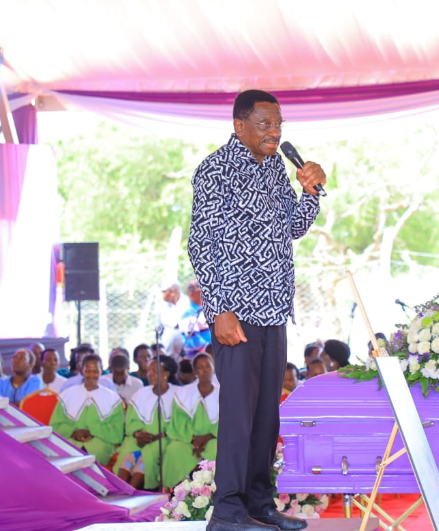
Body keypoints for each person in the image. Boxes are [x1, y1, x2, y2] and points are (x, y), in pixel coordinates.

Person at [188, 89, 325, 531]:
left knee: (268, 414)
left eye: (279, 124)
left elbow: (293, 228)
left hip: (273, 310)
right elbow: (201, 242)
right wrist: (219, 309)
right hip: (237, 314)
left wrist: (310, 194)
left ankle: (261, 506)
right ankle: (227, 512)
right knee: (239, 417)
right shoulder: (215, 170)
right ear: (239, 126)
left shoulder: (272, 171)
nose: (275, 132)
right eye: (265, 124)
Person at [114, 355, 178, 491]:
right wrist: (138, 434)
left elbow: (179, 425)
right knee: (128, 455)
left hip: (164, 439)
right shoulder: (140, 394)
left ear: (166, 373)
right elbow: (131, 422)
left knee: (145, 458)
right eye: (149, 370)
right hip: (139, 438)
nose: (149, 374)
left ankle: (129, 494)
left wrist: (157, 436)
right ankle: (120, 494)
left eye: (155, 371)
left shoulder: (177, 394)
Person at [50, 354, 124, 466]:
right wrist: (73, 432)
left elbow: (117, 433)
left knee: (92, 453)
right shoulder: (68, 395)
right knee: (69, 452)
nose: (91, 375)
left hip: (100, 443)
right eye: (88, 371)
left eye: (96, 371)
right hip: (71, 440)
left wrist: (93, 431)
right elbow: (55, 426)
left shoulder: (112, 398)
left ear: (101, 371)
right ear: (82, 371)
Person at [163, 353, 219, 488]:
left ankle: (212, 490)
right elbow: (179, 423)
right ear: (194, 372)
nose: (204, 370)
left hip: (215, 438)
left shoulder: (223, 392)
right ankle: (176, 491)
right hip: (187, 439)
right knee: (173, 449)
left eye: (208, 366)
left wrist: (207, 437)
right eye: (200, 367)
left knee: (218, 450)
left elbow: (229, 423)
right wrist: (194, 440)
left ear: (213, 368)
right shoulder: (183, 394)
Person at [181, 280, 212, 358]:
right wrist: (208, 349)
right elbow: (193, 339)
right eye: (199, 293)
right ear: (192, 294)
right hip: (199, 355)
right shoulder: (189, 313)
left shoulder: (206, 308)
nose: (203, 294)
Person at [156, 283, 189, 356]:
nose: (162, 294)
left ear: (172, 292)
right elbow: (158, 325)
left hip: (185, 335)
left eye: (164, 291)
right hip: (168, 335)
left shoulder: (186, 302)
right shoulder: (161, 304)